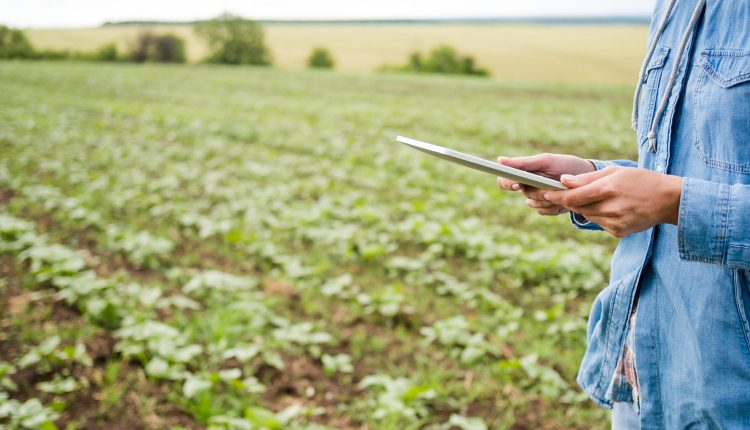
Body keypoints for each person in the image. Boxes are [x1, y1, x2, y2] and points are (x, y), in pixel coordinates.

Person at [496, 0, 750, 428]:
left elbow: (675, 192)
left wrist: (675, 202)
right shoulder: (673, 9)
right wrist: (591, 178)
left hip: (729, 387)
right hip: (645, 374)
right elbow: (678, 170)